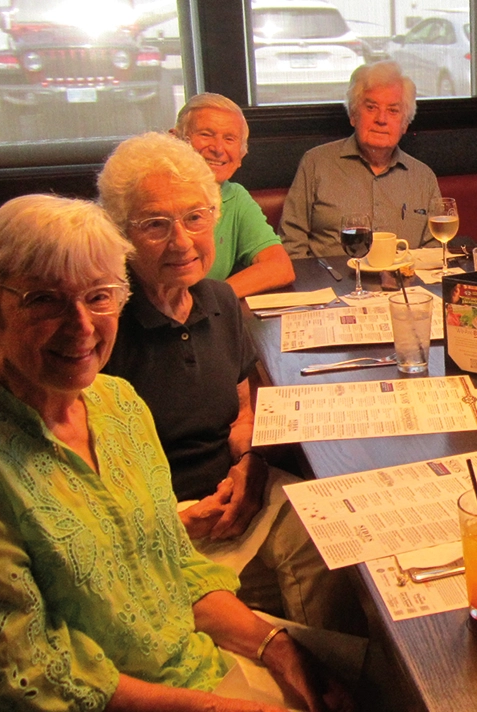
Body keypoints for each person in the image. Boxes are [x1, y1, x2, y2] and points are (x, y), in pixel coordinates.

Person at [0, 194, 347, 710]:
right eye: (44, 300)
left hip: (201, 666)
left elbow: (177, 569)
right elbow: (30, 676)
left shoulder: (118, 407)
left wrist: (278, 648)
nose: (82, 326)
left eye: (99, 296)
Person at [98, 132, 357, 634]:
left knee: (341, 545)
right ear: (119, 234)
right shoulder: (103, 326)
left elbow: (243, 412)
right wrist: (169, 526)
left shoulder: (218, 300)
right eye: (155, 224)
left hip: (236, 497)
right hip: (155, 528)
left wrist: (253, 464)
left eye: (195, 217)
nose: (181, 241)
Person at [281, 60, 441, 258]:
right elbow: (291, 245)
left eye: (393, 110)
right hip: (333, 286)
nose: (381, 119)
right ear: (353, 115)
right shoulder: (315, 163)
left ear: (405, 124)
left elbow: (434, 252)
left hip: (405, 287)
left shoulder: (423, 177)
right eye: (371, 107)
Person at [171, 92, 295, 298]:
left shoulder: (234, 196)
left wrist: (210, 301)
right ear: (175, 140)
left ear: (241, 155)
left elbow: (280, 267)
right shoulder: (153, 195)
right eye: (206, 134)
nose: (218, 149)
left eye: (229, 139)